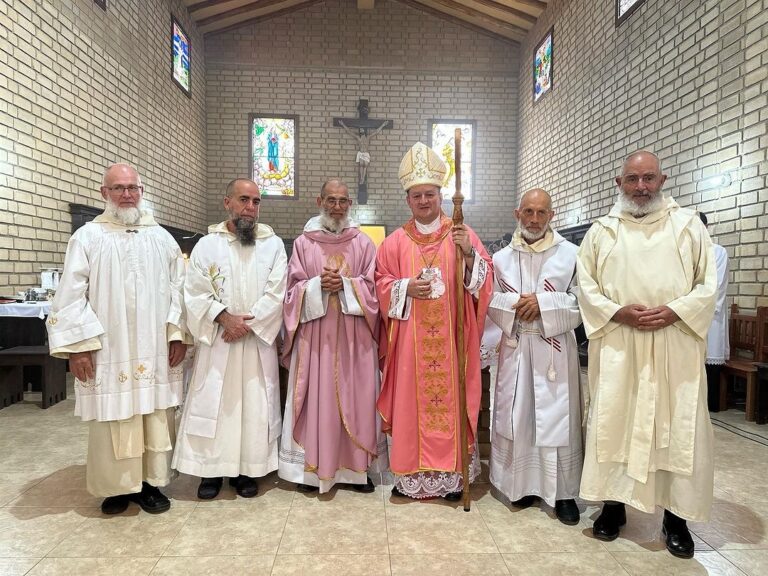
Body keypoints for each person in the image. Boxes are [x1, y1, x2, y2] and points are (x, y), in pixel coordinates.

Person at [577, 151, 716, 559]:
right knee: (614, 421)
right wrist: (617, 311)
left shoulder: (687, 227)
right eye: (633, 179)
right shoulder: (602, 231)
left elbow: (708, 285)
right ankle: (612, 506)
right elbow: (585, 285)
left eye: (649, 178)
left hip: (674, 343)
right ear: (618, 183)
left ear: (663, 180)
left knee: (677, 428)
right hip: (621, 341)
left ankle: (676, 518)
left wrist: (676, 310)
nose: (641, 187)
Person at [47, 163, 188, 515]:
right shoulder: (88, 237)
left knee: (155, 414)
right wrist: (78, 348)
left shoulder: (161, 238)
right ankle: (116, 487)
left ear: (142, 191)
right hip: (109, 347)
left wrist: (177, 334)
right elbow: (70, 294)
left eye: (133, 188)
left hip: (155, 346)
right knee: (115, 415)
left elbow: (180, 290)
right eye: (118, 188)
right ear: (104, 194)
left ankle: (151, 483)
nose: (127, 195)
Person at [375, 142, 493, 500]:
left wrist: (469, 253)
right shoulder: (394, 243)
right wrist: (404, 287)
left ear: (441, 195)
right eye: (416, 195)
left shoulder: (461, 235)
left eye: (429, 194)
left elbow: (485, 283)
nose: (424, 201)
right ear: (407, 200)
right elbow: (379, 285)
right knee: (411, 406)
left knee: (451, 404)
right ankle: (411, 475)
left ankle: (454, 478)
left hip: (452, 344)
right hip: (410, 346)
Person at [172, 178, 287, 500]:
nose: (250, 208)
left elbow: (277, 292)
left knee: (253, 405)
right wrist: (224, 318)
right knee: (215, 403)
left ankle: (247, 471)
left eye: (256, 201)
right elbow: (193, 291)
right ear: (227, 203)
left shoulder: (273, 245)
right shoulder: (208, 245)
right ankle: (211, 471)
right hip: (220, 342)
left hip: (254, 344)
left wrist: (246, 324)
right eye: (243, 200)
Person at [278, 178, 388, 493]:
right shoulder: (304, 243)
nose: (337, 207)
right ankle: (313, 473)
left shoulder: (364, 243)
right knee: (316, 398)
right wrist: (316, 286)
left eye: (342, 201)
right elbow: (291, 291)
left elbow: (373, 288)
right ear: (319, 201)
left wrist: (348, 285)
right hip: (316, 338)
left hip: (356, 339)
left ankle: (356, 472)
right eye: (331, 200)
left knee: (359, 398)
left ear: (349, 204)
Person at [484, 188, 583, 525]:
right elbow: (490, 302)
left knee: (556, 417)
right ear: (518, 214)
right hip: (516, 347)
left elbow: (583, 302)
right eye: (529, 212)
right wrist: (516, 306)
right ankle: (520, 485)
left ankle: (564, 494)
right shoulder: (500, 259)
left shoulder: (570, 254)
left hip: (554, 349)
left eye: (542, 213)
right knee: (520, 414)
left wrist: (543, 304)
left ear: (552, 216)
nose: (535, 219)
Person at [699, 211, 730, 411]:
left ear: (706, 228)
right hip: (688, 314)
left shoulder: (718, 251)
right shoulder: (686, 250)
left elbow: (716, 285)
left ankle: (711, 404)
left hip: (711, 314)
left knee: (710, 358)